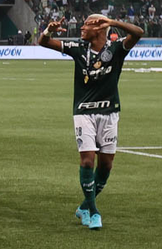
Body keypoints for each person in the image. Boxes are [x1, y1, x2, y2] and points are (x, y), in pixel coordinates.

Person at [37, 14, 145, 231]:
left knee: (106, 165)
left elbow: (138, 33)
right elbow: (44, 42)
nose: (81, 28)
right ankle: (94, 211)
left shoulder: (115, 49)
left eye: (86, 25)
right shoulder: (78, 48)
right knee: (87, 161)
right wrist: (49, 30)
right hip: (83, 112)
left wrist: (113, 23)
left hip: (109, 113)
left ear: (99, 28)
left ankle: (85, 206)